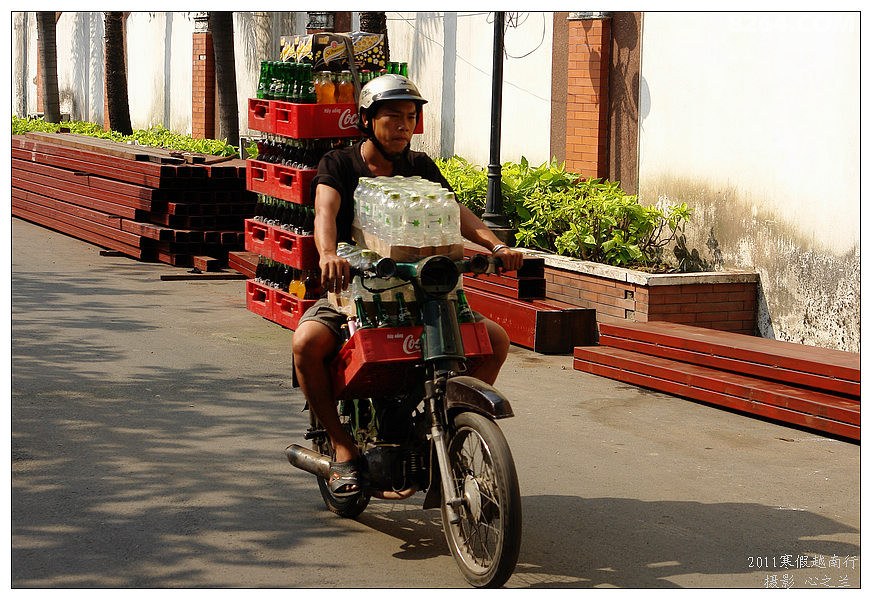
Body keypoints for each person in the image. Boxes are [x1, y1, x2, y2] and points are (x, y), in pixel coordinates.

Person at [292, 74, 524, 497]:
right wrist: (329, 255)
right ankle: (343, 447)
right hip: (354, 289)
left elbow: (455, 211)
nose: (404, 126)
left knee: (495, 341)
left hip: (425, 292)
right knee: (307, 343)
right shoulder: (339, 163)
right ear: (366, 120)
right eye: (393, 117)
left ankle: (443, 425)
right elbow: (325, 211)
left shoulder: (420, 167)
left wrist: (496, 244)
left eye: (411, 118)